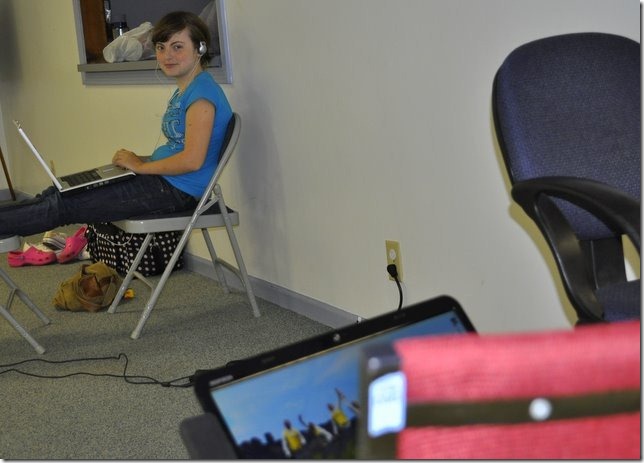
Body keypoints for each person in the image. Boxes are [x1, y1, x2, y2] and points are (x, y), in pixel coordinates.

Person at [0, 11, 232, 241]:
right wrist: (138, 160)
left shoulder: (202, 96)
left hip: (176, 191)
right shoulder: (187, 90)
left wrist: (140, 166)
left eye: (177, 47)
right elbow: (179, 148)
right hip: (163, 180)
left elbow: (192, 161)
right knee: (59, 191)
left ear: (200, 48)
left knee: (63, 205)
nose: (167, 55)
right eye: (161, 47)